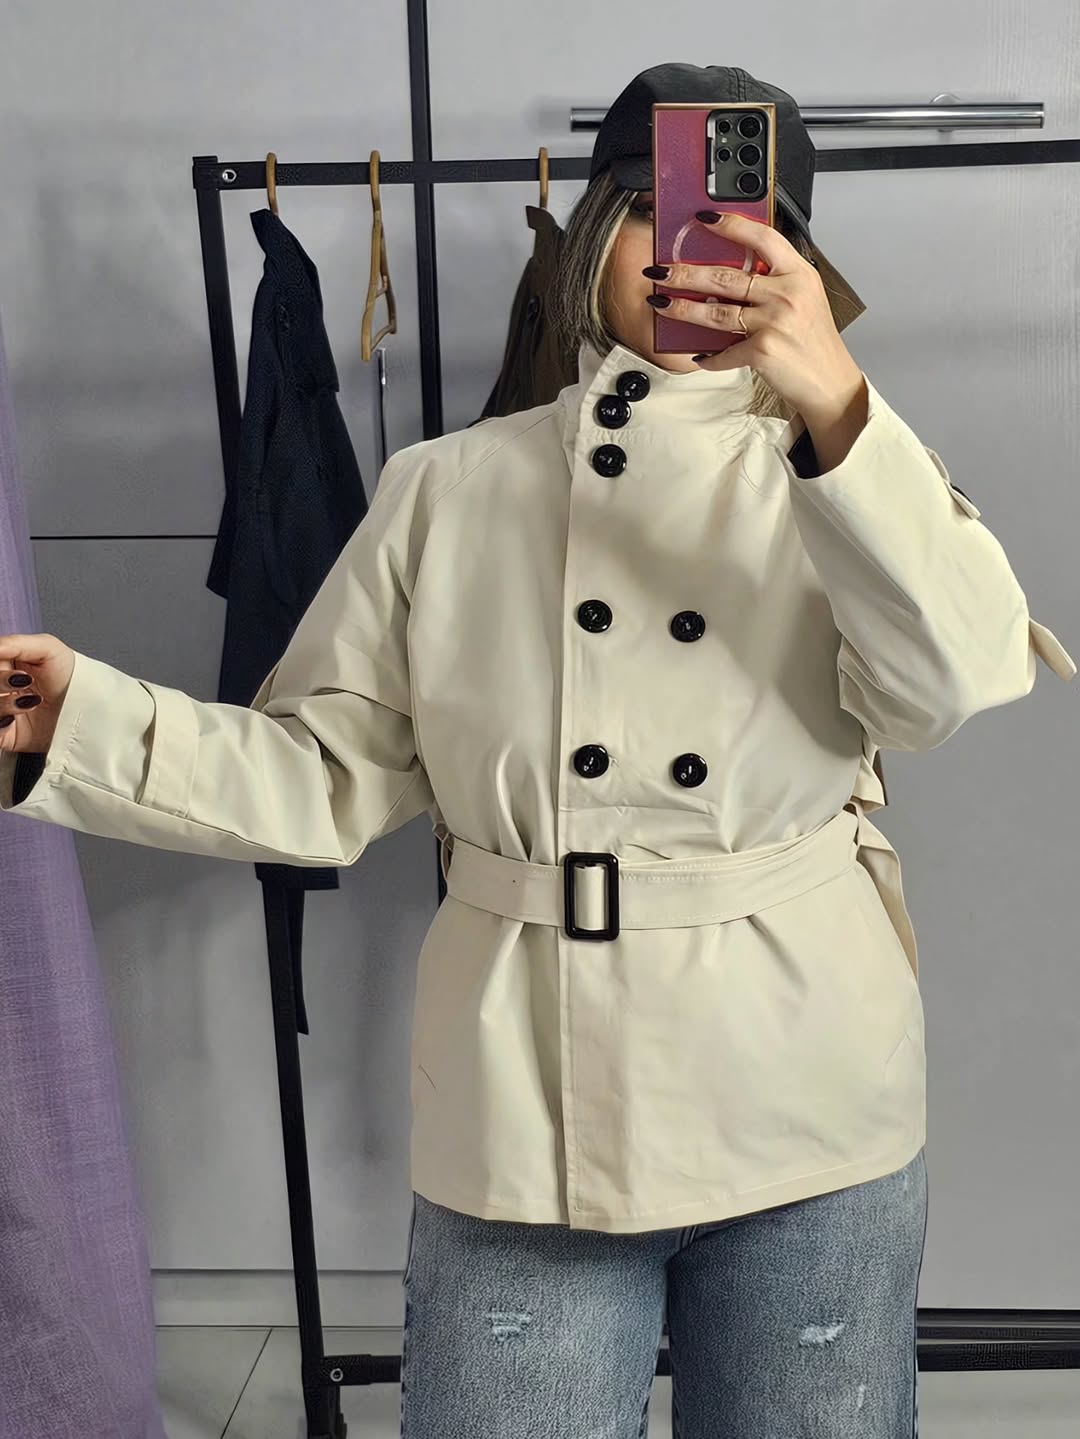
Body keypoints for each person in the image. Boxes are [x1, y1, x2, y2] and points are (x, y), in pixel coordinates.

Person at [1, 63, 1074, 1439]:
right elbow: (322, 778)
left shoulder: (852, 480)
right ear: (596, 238)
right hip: (525, 1106)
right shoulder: (445, 491)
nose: (701, 257)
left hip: (810, 1089)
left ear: (799, 268)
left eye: (753, 231)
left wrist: (839, 409)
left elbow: (952, 682)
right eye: (662, 218)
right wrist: (80, 722)